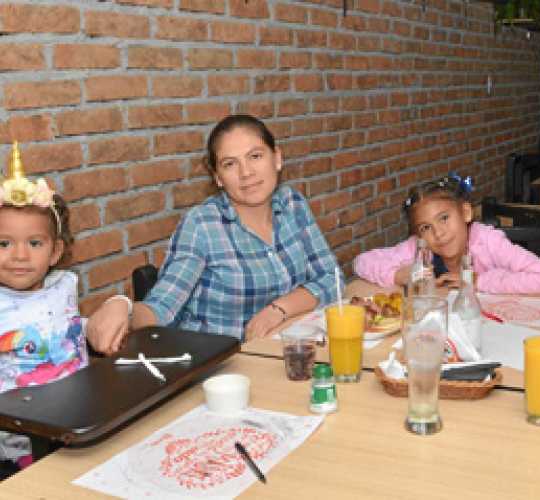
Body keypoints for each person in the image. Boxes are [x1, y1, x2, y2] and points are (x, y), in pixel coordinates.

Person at [88, 115, 340, 352]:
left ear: (277, 158)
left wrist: (278, 309)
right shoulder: (202, 225)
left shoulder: (292, 204)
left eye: (255, 156)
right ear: (218, 177)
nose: (246, 172)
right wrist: (123, 307)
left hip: (281, 349)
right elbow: (162, 308)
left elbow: (331, 278)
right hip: (220, 365)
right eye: (230, 164)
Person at [0, 143, 87, 471]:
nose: (20, 256)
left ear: (55, 251)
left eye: (34, 243)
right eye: (4, 243)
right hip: (19, 441)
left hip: (78, 420)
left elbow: (69, 327)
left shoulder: (63, 285)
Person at [354, 174, 540, 293]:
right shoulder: (418, 248)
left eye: (444, 218)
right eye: (426, 227)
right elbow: (361, 262)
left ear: (466, 212)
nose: (438, 233)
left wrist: (477, 281)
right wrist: (397, 275)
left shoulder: (488, 241)